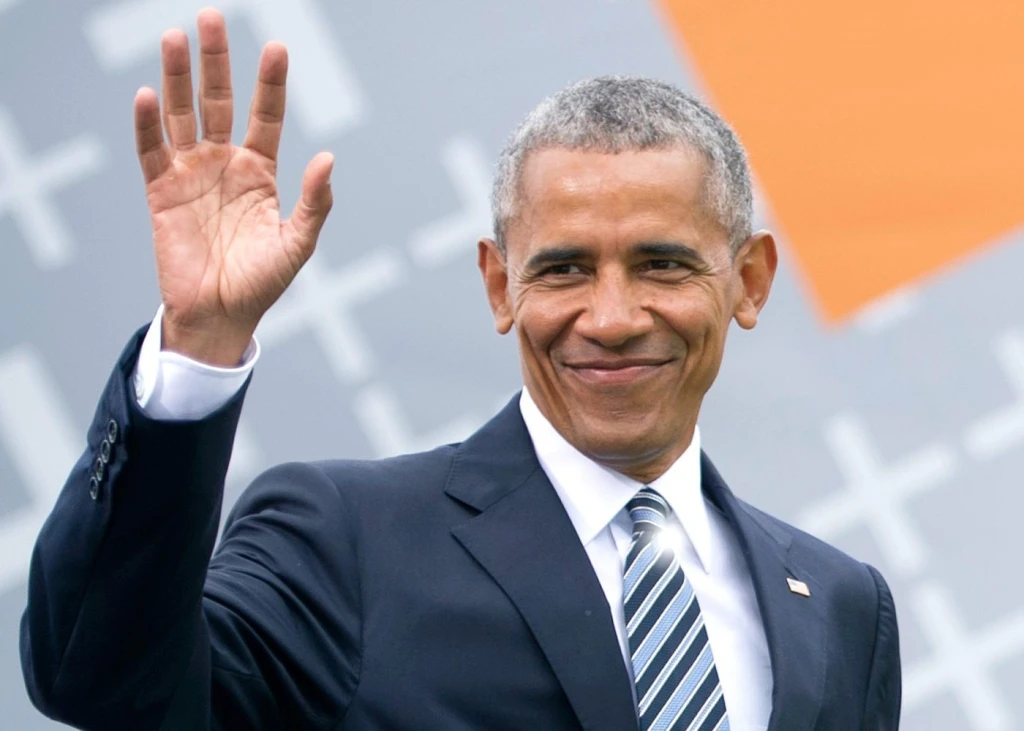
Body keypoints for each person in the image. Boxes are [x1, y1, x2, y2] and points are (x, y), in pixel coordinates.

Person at [20, 8, 900, 731]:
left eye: (662, 264)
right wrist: (199, 342)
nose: (611, 318)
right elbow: (104, 682)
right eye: (564, 269)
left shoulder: (841, 605)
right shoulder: (344, 542)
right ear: (499, 284)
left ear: (749, 280)